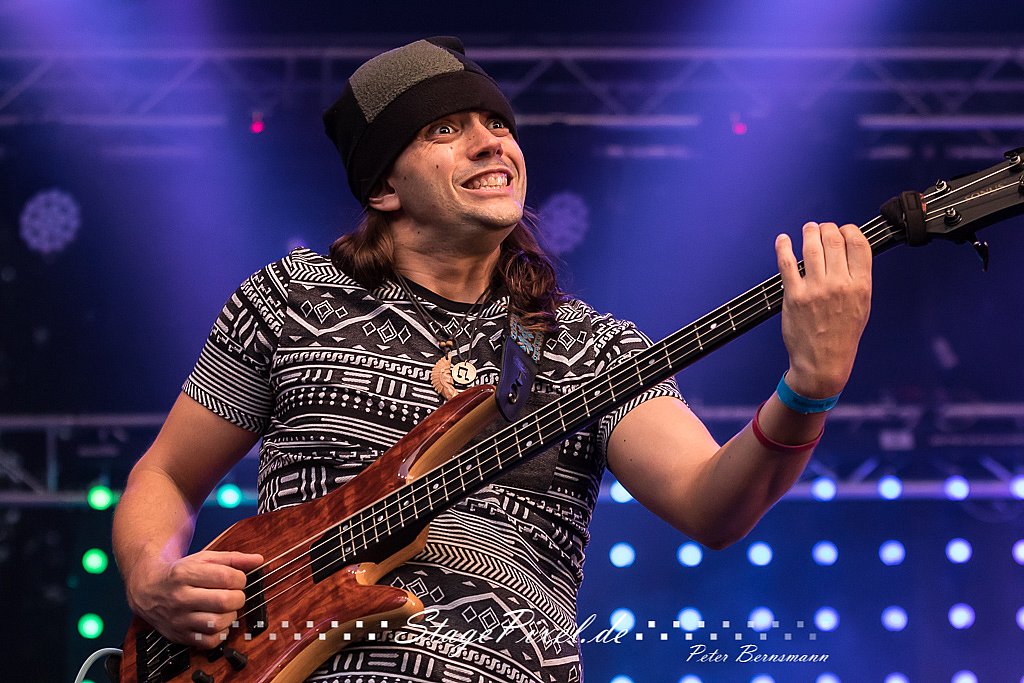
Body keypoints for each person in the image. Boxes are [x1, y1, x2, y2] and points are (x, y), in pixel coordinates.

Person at [112, 36, 871, 682]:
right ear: (383, 187)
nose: (491, 142)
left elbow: (711, 502)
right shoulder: (290, 299)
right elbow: (167, 474)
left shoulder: (591, 347)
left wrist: (808, 390)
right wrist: (151, 578)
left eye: (496, 123)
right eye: (445, 129)